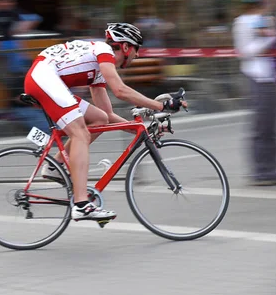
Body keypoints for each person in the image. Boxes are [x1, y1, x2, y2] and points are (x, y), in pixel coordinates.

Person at [23, 23, 185, 222]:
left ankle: (55, 165)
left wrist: (142, 129)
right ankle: (82, 205)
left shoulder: (100, 65)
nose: (138, 55)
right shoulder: (104, 51)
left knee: (99, 118)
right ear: (126, 47)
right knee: (80, 133)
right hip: (43, 78)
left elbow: (107, 116)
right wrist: (161, 106)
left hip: (45, 79)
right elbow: (120, 90)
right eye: (137, 49)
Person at [232, 0, 276, 186]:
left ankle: (271, 169)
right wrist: (271, 39)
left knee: (270, 125)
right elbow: (245, 52)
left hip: (271, 76)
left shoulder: (267, 19)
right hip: (258, 77)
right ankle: (261, 171)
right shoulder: (243, 22)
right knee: (263, 125)